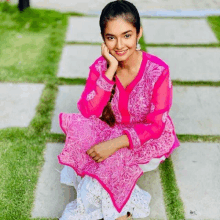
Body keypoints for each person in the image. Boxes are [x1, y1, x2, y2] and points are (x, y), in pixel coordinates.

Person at [57, 0, 181, 219]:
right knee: (84, 136)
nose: (119, 45)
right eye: (111, 37)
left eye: (127, 35)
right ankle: (121, 211)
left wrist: (113, 145)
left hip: (145, 139)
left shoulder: (158, 71)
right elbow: (88, 111)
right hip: (109, 128)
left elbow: (155, 125)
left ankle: (121, 213)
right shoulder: (100, 66)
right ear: (103, 39)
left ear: (139, 33)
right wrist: (109, 71)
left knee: (107, 161)